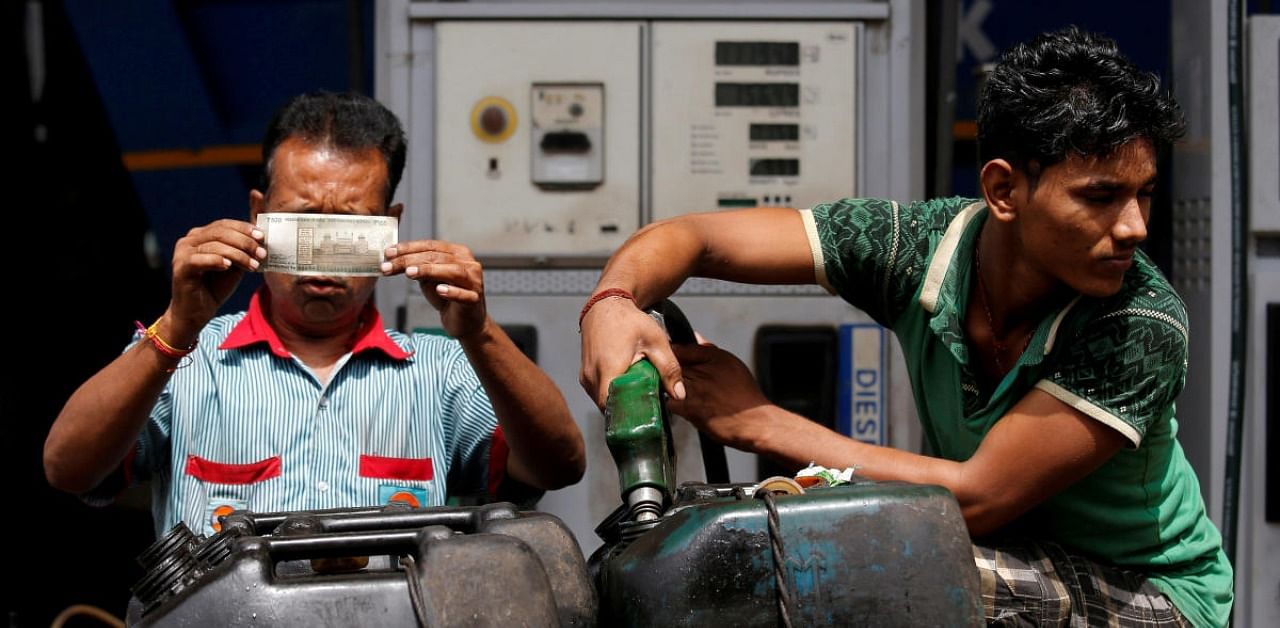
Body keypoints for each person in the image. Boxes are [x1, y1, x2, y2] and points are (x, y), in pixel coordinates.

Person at [579, 27, 1230, 627]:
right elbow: (694, 237)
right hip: (1005, 553)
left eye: (1144, 193)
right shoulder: (910, 246)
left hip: (1153, 594)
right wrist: (613, 303)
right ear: (1004, 191)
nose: (1135, 227)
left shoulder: (1141, 318)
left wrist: (760, 422)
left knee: (871, 569)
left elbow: (978, 500)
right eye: (1100, 196)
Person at [45, 91, 585, 536]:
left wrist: (480, 334)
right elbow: (68, 469)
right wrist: (178, 326)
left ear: (389, 227)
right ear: (258, 214)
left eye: (346, 231)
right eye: (304, 226)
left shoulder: (441, 372)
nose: (322, 262)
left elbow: (560, 464)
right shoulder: (186, 359)